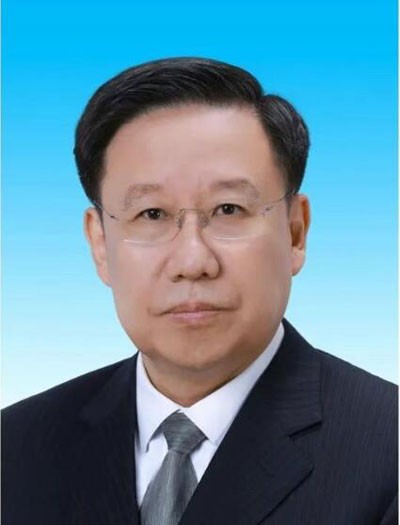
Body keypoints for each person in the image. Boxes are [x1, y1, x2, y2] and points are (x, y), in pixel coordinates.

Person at [2, 57, 397, 525]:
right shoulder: (16, 449)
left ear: (295, 232)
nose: (193, 262)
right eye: (151, 214)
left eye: (228, 209)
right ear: (100, 243)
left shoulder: (387, 452)